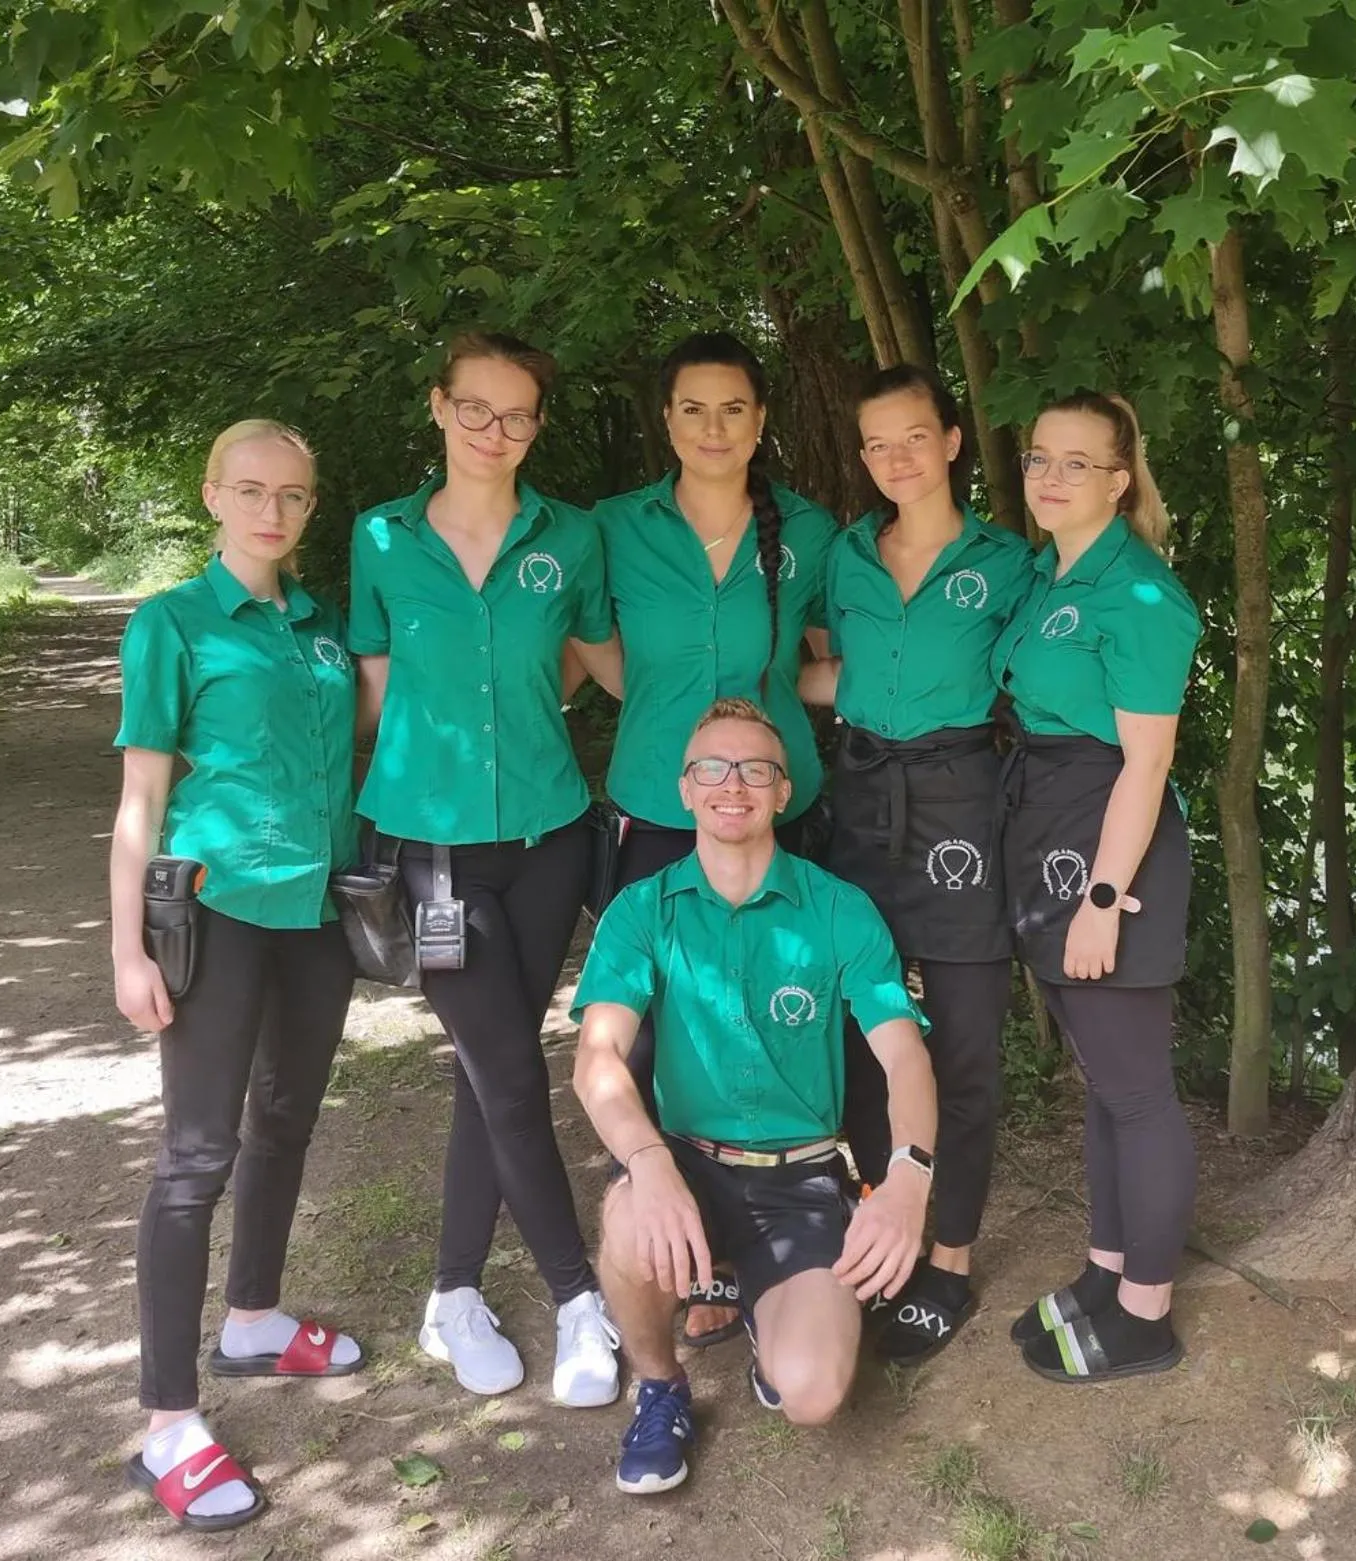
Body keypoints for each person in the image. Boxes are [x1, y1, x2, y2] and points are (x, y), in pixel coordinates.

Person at [348, 331, 620, 1405]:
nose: (493, 431)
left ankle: (451, 1295)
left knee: (486, 1068)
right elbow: (365, 693)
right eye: (475, 409)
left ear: (537, 424)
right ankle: (575, 1300)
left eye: (515, 414)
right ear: (438, 406)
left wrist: (726, 694)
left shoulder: (573, 535)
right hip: (429, 849)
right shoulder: (381, 536)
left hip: (551, 836)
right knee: (509, 1072)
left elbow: (598, 661)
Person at [570, 698, 936, 1494]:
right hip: (688, 1165)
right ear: (686, 788)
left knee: (813, 1393)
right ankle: (661, 1386)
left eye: (755, 770)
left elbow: (904, 1054)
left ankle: (764, 1314)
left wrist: (909, 1174)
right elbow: (595, 1055)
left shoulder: (840, 909)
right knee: (631, 1216)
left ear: (782, 792)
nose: (732, 783)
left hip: (799, 1176)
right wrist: (647, 1160)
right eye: (713, 767)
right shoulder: (641, 910)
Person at [110, 420, 362, 1530]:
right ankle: (167, 1421)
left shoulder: (324, 631)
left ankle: (252, 1316)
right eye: (251, 490)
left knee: (287, 1118)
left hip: (315, 911)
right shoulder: (172, 623)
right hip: (212, 912)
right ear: (213, 494)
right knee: (194, 1154)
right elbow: (140, 802)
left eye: (293, 496)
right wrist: (126, 948)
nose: (272, 511)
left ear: (311, 509)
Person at [578, 331, 838, 1346]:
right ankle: (660, 1246)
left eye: (734, 407)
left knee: (773, 1025)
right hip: (656, 809)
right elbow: (595, 651)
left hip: (782, 808)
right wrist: (658, 708)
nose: (714, 427)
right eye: (693, 407)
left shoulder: (807, 533)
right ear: (666, 419)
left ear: (760, 421)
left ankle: (753, 1249)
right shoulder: (613, 528)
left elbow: (830, 660)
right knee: (650, 1041)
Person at [799, 364, 1034, 1360]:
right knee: (853, 1031)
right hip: (858, 798)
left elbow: (1045, 681)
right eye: (875, 443)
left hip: (962, 805)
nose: (895, 458)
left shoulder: (1009, 561)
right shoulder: (842, 555)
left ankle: (947, 1257)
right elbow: (811, 661)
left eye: (913, 437)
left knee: (965, 1042)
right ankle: (876, 1221)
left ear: (948, 440)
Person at [991, 391, 1202, 1383]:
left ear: (1120, 480)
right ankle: (1106, 1274)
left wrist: (1103, 900)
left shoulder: (1144, 596)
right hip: (1050, 829)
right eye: (1040, 456)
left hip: (1110, 846)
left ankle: (1146, 1315)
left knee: (1136, 1091)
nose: (1051, 477)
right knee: (1102, 1086)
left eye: (1078, 463)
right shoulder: (1047, 571)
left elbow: (1144, 766)